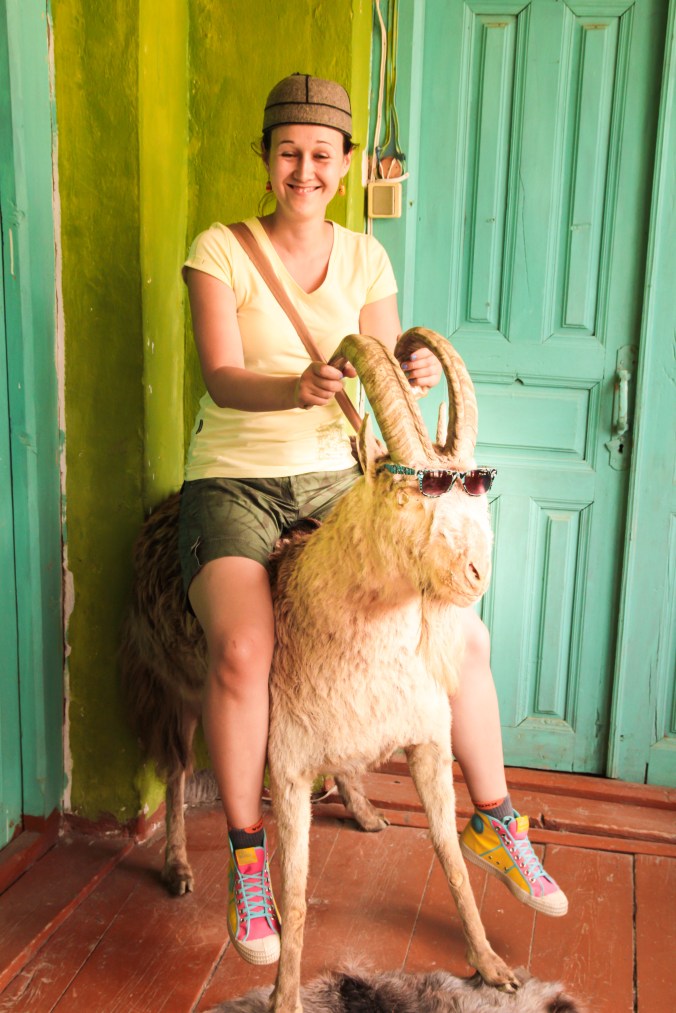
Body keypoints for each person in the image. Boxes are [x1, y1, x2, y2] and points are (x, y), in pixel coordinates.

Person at [179, 73, 567, 967]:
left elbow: (387, 367)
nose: (304, 170)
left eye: (322, 154)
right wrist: (294, 388)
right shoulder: (220, 249)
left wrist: (413, 374)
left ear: (347, 164)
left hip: (337, 485)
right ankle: (247, 857)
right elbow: (221, 377)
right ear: (264, 159)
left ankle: (494, 819)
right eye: (288, 153)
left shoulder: (366, 258)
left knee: (460, 630)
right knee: (243, 646)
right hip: (236, 482)